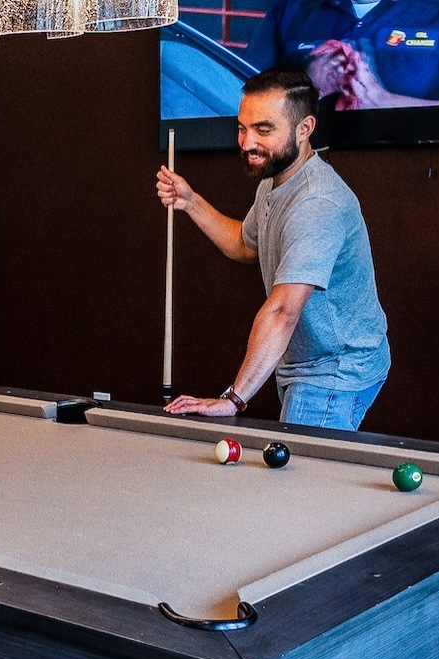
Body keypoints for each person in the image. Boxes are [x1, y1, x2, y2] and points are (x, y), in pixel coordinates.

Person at [156, 69, 390, 431]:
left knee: (299, 481)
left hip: (335, 369)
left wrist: (233, 398)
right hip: (307, 362)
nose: (247, 142)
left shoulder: (316, 203)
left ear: (304, 128)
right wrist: (190, 202)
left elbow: (283, 311)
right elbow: (245, 244)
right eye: (242, 127)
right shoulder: (275, 179)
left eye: (263, 130)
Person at [242, 0, 439, 109]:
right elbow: (237, 101)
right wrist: (308, 87)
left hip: (418, 193)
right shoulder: (291, 10)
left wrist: (383, 101)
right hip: (305, 196)